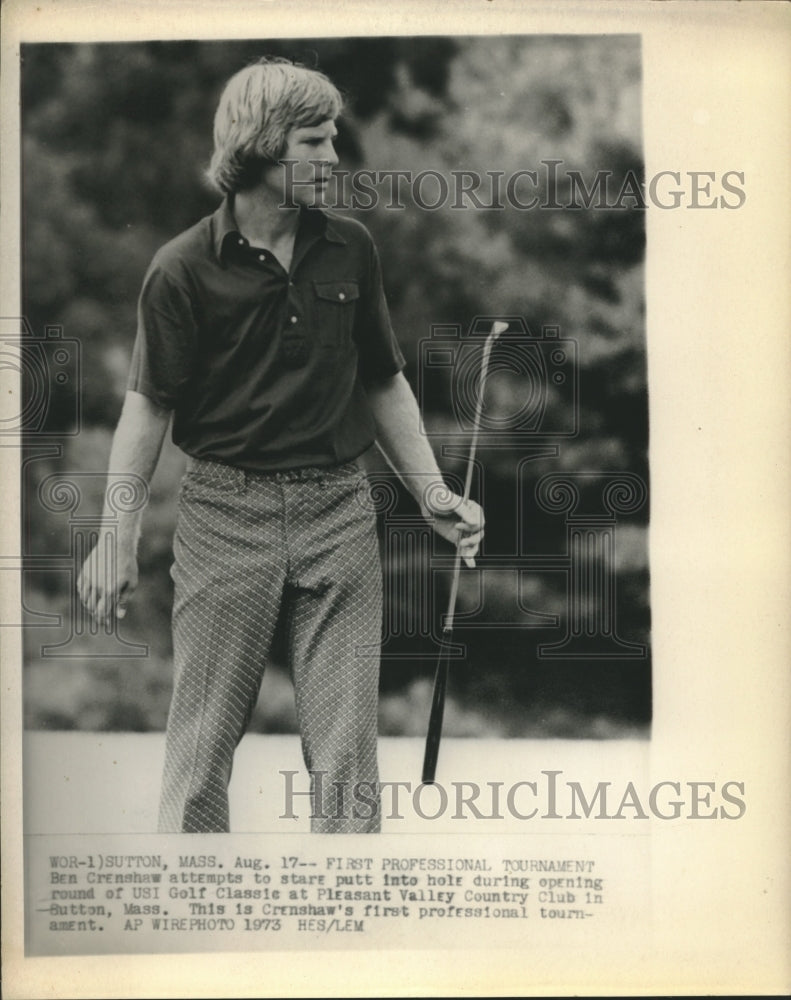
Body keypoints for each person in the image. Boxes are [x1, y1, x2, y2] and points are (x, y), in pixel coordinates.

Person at [77, 57, 484, 834]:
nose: (333, 159)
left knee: (346, 759)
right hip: (226, 515)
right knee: (199, 758)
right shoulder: (181, 269)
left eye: (332, 139)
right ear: (260, 148)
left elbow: (383, 382)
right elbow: (147, 408)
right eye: (313, 142)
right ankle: (189, 932)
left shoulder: (350, 249)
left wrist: (432, 495)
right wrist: (114, 536)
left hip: (339, 509)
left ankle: (347, 932)